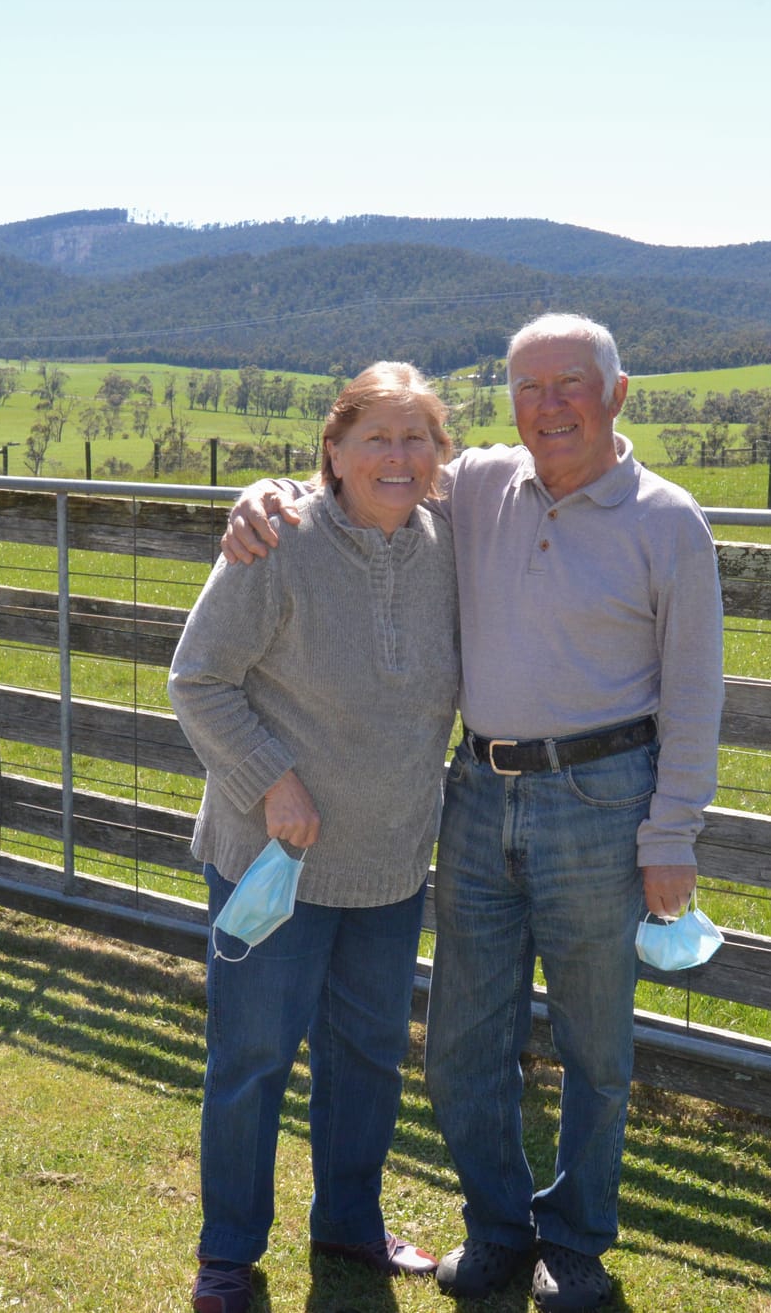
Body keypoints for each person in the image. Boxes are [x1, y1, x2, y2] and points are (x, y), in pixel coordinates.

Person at [224, 314, 724, 1312]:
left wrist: (670, 836)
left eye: (570, 384)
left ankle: (573, 1243)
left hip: (603, 800)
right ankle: (497, 1227)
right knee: (460, 1042)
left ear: (616, 394)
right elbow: (376, 464)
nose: (549, 406)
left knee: (595, 1044)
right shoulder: (484, 485)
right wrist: (265, 494)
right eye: (527, 387)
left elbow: (696, 691)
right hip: (477, 793)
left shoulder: (668, 522)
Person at [169, 362, 460, 1313]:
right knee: (253, 1055)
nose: (397, 455)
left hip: (387, 862)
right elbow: (198, 678)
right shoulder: (278, 541)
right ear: (331, 452)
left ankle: (346, 1220)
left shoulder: (453, 542)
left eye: (416, 437)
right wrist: (270, 782)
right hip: (270, 861)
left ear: (440, 456)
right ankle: (227, 1253)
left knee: (369, 1055)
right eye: (375, 436)